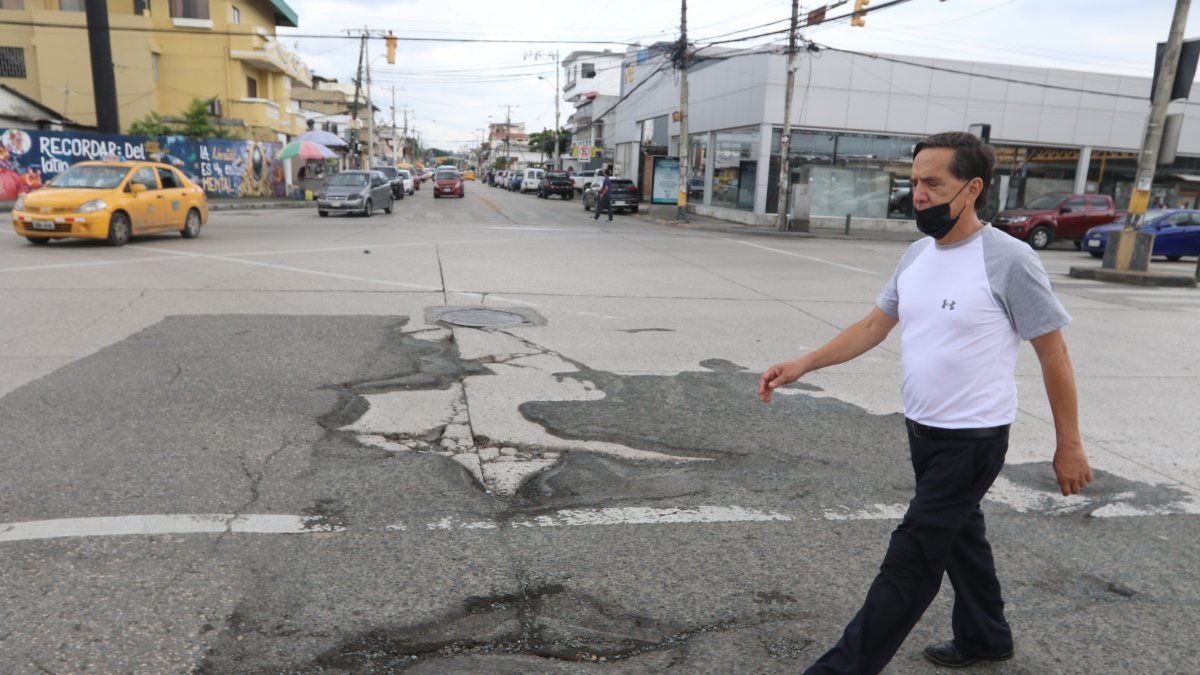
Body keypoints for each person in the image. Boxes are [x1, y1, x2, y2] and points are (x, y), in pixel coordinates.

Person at [758, 131, 1092, 675]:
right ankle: (986, 636)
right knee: (961, 537)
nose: (918, 194)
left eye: (933, 183)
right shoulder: (916, 254)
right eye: (913, 182)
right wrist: (802, 365)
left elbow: (1054, 355)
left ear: (973, 187)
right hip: (923, 432)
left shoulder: (1010, 260)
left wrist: (1070, 445)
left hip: (974, 439)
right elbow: (873, 326)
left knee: (911, 560)